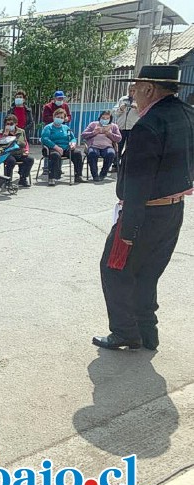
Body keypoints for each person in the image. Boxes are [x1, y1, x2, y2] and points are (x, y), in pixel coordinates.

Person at [93, 65, 194, 351]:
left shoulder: (147, 126)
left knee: (114, 268)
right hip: (173, 210)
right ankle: (148, 332)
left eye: (136, 87)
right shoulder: (188, 114)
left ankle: (126, 332)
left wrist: (128, 229)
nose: (132, 92)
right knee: (148, 272)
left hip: (146, 212)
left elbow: (138, 184)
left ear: (149, 89)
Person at [40, 108, 84, 185]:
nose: (59, 119)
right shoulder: (48, 127)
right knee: (55, 155)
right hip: (52, 148)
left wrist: (73, 143)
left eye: (61, 117)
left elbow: (72, 138)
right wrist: (56, 147)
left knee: (77, 153)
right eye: (58, 117)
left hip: (66, 148)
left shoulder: (66, 128)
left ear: (64, 119)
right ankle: (52, 177)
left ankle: (78, 176)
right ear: (54, 117)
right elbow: (45, 139)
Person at [81, 110, 122, 181]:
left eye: (107, 118)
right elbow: (83, 135)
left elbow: (119, 138)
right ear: (100, 118)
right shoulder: (93, 124)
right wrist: (94, 132)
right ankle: (95, 175)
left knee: (110, 153)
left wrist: (109, 133)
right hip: (94, 146)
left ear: (110, 119)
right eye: (103, 118)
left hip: (107, 146)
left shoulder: (114, 126)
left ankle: (103, 174)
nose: (104, 120)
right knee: (92, 153)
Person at [0, 114, 34, 187]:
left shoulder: (21, 131)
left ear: (16, 123)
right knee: (11, 161)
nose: (9, 125)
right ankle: (8, 180)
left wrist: (26, 151)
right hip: (8, 154)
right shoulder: (1, 133)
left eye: (11, 124)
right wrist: (5, 135)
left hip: (20, 152)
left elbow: (25, 143)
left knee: (30, 160)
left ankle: (23, 178)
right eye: (7, 124)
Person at [113, 84, 139, 171]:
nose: (132, 93)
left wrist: (137, 108)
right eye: (130, 90)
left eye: (133, 91)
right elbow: (115, 112)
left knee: (131, 147)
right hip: (122, 127)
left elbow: (145, 112)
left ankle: (128, 165)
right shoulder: (123, 99)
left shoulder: (140, 100)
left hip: (133, 127)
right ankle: (115, 164)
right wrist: (120, 109)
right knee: (119, 146)